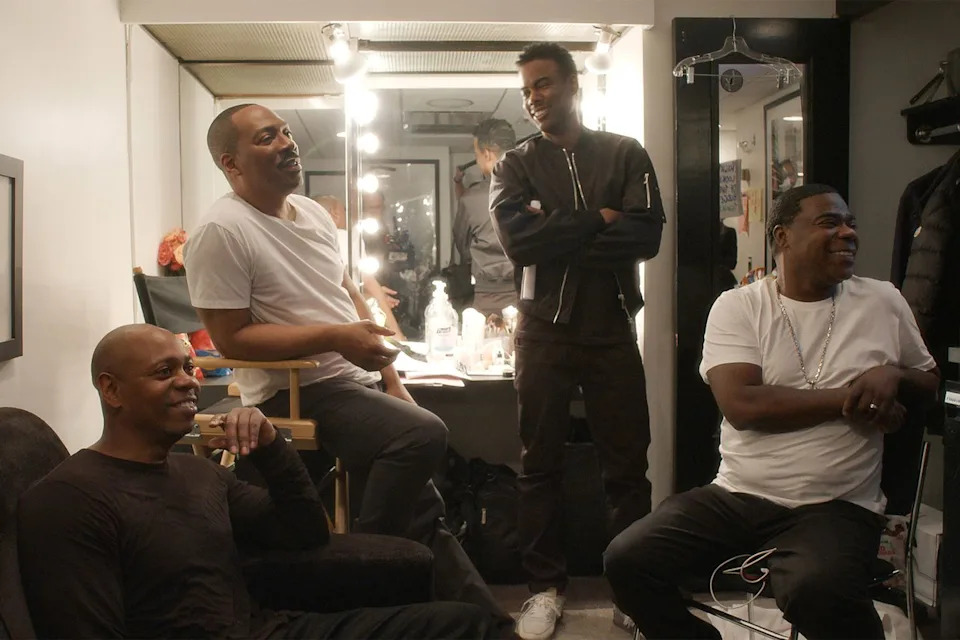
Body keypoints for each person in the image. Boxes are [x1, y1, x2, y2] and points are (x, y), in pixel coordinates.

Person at [182, 104, 512, 634]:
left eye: (286, 131)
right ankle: (367, 572)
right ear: (231, 162)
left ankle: (491, 628)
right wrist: (337, 338)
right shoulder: (222, 230)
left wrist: (393, 379)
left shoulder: (310, 213)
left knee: (425, 515)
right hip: (296, 389)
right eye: (267, 137)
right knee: (421, 435)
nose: (287, 142)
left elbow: (346, 295)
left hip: (350, 383)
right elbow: (231, 337)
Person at [604, 184, 941, 639]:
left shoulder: (882, 300)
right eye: (830, 223)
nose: (848, 233)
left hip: (838, 505)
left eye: (851, 224)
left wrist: (893, 377)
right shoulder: (739, 306)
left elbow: (928, 380)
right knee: (627, 559)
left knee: (813, 588)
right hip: (738, 494)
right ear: (783, 237)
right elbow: (743, 405)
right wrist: (854, 397)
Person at [17, 324, 491, 640]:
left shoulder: (198, 473)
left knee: (468, 624)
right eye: (165, 373)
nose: (188, 382)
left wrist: (271, 448)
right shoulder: (69, 499)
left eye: (187, 368)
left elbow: (306, 535)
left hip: (271, 628)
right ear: (111, 389)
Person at [488, 42, 665, 640]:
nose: (533, 98)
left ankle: (633, 593)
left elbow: (646, 237)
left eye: (542, 84)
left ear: (571, 84)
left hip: (611, 325)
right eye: (526, 90)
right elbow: (521, 243)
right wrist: (598, 218)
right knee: (539, 464)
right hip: (542, 331)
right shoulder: (515, 164)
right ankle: (544, 590)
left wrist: (559, 230)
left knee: (627, 466)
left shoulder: (623, 153)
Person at [311, 194, 405, 339]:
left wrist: (371, 296)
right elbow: (366, 282)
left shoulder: (305, 241)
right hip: (346, 320)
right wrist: (397, 334)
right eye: (344, 210)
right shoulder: (345, 238)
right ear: (335, 214)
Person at [452, 118, 518, 318]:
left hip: (488, 294)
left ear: (487, 154)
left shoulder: (472, 198)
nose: (478, 159)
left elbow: (462, 245)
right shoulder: (535, 190)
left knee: (484, 346)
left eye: (477, 154)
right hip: (528, 292)